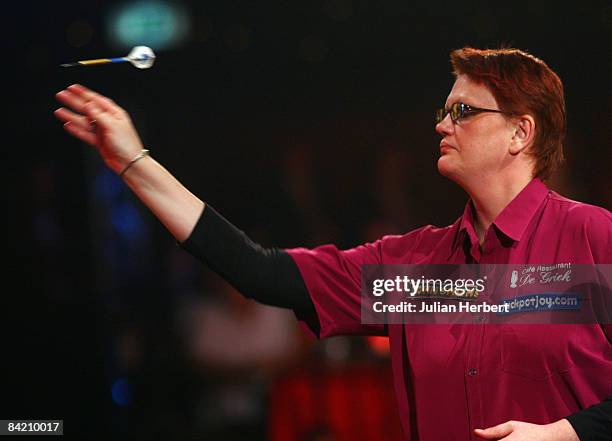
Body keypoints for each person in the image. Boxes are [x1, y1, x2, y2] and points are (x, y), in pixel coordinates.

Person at [54, 46, 612, 440]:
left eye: (463, 111)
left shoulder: (593, 238)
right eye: (443, 111)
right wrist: (132, 161)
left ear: (521, 132)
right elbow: (260, 273)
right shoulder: (417, 270)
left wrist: (568, 433)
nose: (442, 124)